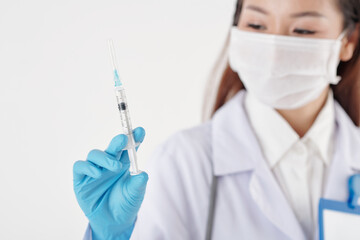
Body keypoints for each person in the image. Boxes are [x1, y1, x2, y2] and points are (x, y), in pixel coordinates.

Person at [73, 0, 360, 239]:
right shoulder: (183, 162)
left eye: (303, 30)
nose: (273, 48)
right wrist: (108, 235)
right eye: (257, 25)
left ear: (348, 41)